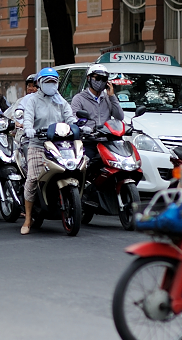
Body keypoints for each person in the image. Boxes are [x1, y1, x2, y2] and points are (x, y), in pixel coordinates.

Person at [19, 68, 78, 235]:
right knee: (32, 179)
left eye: (53, 81)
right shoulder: (32, 101)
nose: (51, 85)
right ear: (39, 83)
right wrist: (29, 129)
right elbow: (28, 118)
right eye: (47, 82)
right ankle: (28, 219)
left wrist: (78, 125)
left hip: (61, 144)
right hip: (38, 145)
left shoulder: (61, 101)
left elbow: (70, 118)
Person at [70, 64, 124, 134]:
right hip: (88, 139)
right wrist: (85, 129)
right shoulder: (79, 99)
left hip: (106, 137)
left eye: (104, 79)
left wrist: (112, 97)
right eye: (97, 78)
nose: (100, 82)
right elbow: (73, 120)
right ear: (89, 78)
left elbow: (119, 117)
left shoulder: (108, 98)